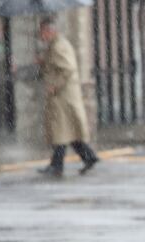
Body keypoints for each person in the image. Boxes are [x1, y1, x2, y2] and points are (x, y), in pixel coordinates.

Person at [37, 17, 99, 177]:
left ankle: (57, 166)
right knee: (68, 131)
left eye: (42, 32)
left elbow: (68, 68)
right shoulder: (55, 46)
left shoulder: (58, 46)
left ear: (50, 31)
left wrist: (54, 85)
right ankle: (88, 157)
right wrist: (42, 62)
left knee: (61, 131)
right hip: (62, 98)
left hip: (63, 98)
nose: (41, 35)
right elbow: (55, 66)